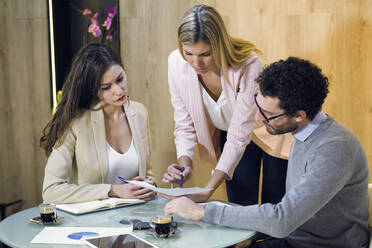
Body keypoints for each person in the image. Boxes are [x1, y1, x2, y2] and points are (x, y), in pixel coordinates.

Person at [164, 57, 370, 248]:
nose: (260, 119)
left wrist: (202, 212)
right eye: (259, 107)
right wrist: (250, 235)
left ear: (299, 115)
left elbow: (282, 219)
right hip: (294, 240)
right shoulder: (304, 133)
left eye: (268, 115)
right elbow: (287, 219)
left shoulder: (334, 149)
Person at [163, 4, 290, 205]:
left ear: (220, 45)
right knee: (239, 204)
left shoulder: (248, 64)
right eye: (188, 53)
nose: (196, 63)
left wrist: (207, 190)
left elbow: (241, 132)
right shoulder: (176, 64)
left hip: (270, 132)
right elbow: (184, 123)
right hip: (230, 136)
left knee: (274, 204)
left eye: (205, 54)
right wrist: (184, 164)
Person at [40, 43, 156, 204]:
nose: (119, 91)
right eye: (106, 87)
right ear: (93, 90)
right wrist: (113, 190)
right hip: (90, 224)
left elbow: (148, 174)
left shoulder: (139, 113)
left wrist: (149, 185)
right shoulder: (76, 123)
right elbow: (51, 191)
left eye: (120, 79)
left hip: (134, 219)